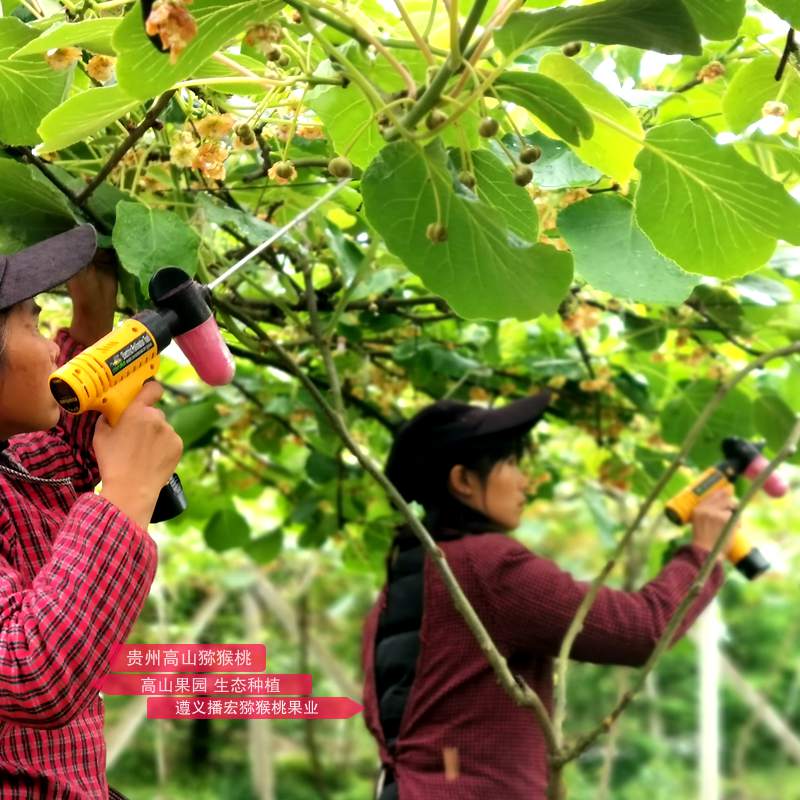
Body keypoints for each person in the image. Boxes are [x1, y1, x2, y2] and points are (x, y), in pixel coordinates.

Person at [361, 390, 734, 799]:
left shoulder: (398, 586)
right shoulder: (485, 567)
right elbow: (642, 630)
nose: (525, 481)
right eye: (510, 463)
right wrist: (703, 551)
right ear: (464, 481)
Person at [0, 225, 183, 798]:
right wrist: (125, 492)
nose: (52, 344)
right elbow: (32, 672)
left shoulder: (14, 464)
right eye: (31, 320)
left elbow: (59, 459)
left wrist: (93, 317)